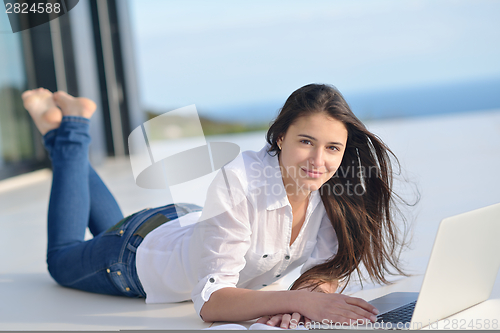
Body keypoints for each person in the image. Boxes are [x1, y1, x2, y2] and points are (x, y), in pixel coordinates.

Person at [22, 84, 411, 329]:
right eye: (305, 141)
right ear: (279, 137)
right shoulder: (241, 178)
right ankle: (69, 127)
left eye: (332, 148)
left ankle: (59, 127)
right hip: (133, 257)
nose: (318, 160)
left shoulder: (334, 194)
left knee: (113, 229)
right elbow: (210, 302)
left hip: (183, 225)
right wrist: (296, 299)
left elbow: (326, 268)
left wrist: (304, 302)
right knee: (61, 258)